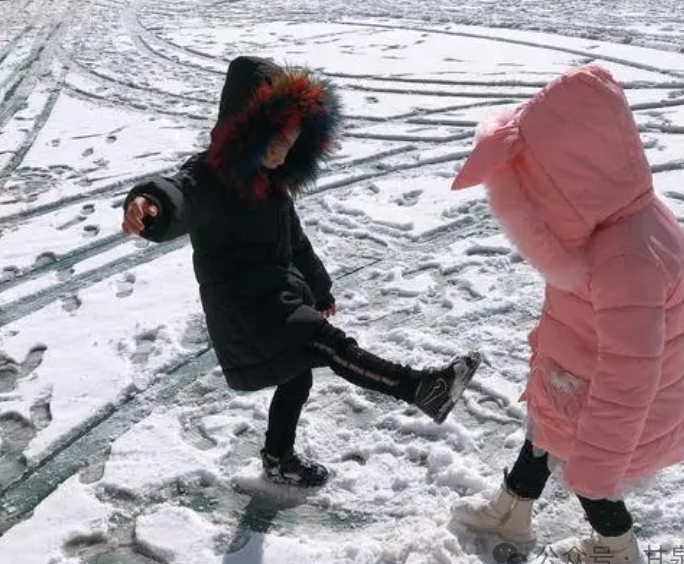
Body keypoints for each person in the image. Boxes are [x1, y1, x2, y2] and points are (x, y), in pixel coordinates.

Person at [120, 56, 481, 488]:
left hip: (277, 297)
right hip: (244, 306)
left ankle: (278, 459)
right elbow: (179, 191)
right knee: (330, 346)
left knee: (297, 379)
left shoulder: (272, 185)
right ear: (245, 130)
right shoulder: (213, 176)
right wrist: (151, 204)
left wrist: (320, 288)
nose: (280, 152)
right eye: (273, 140)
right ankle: (422, 388)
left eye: (289, 143)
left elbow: (296, 242)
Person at [447, 64, 684, 564]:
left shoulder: (625, 255)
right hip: (572, 383)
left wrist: (599, 466)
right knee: (540, 438)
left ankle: (620, 550)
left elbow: (631, 374)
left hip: (604, 407)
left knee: (589, 481)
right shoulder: (619, 221)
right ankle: (510, 512)